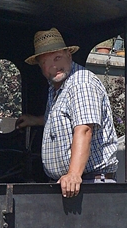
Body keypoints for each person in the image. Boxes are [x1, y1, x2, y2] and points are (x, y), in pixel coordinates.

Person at [16, 28, 117, 197]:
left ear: (69, 56)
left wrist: (73, 174)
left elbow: (84, 129)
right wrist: (34, 120)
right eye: (47, 62)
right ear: (40, 67)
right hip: (71, 185)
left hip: (87, 186)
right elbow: (64, 117)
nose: (54, 66)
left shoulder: (81, 84)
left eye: (57, 58)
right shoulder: (56, 87)